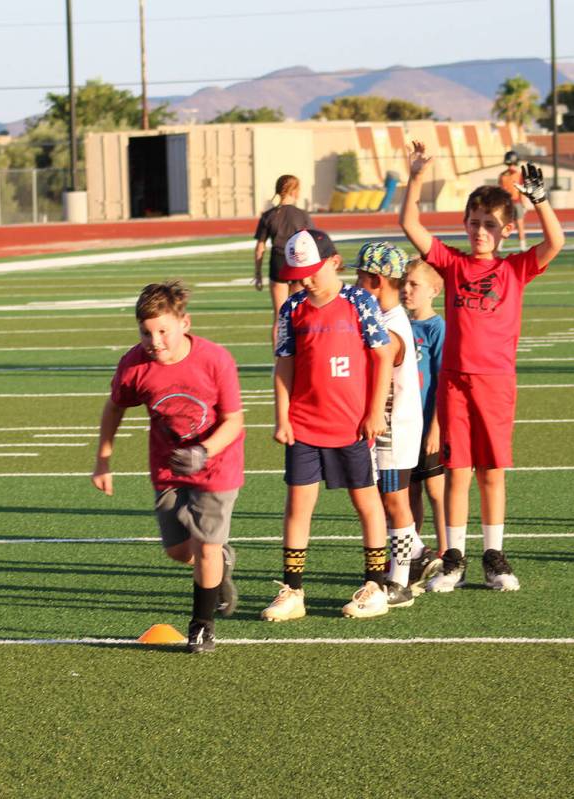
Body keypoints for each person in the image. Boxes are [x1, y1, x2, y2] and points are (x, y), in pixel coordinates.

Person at [400, 142, 564, 592]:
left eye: (490, 225)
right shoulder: (452, 264)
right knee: (457, 472)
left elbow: (557, 242)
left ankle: (494, 554)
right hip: (455, 382)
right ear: (465, 223)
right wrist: (416, 176)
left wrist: (540, 200)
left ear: (506, 231)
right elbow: (410, 224)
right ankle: (454, 557)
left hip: (495, 382)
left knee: (491, 472)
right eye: (474, 223)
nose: (480, 231)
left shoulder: (515, 269)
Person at [91, 281, 245, 654]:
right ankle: (221, 560)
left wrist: (204, 451)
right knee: (179, 551)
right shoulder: (134, 365)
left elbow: (235, 421)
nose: (155, 341)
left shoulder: (215, 359)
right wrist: (103, 458)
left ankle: (202, 626)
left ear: (184, 324)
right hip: (167, 466)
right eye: (146, 332)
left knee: (206, 545)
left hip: (216, 466)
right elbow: (115, 407)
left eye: (163, 331)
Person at [260, 229, 394, 622]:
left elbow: (382, 356)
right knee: (298, 506)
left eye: (311, 270)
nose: (304, 279)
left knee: (366, 503)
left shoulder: (360, 302)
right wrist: (282, 416)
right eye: (297, 273)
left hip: (350, 426)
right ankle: (293, 592)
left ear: (334, 262)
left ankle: (375, 586)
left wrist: (375, 412)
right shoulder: (293, 308)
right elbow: (285, 364)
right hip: (304, 425)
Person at [351, 242, 440, 607]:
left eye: (359, 278)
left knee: (394, 500)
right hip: (384, 426)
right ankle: (417, 553)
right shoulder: (379, 315)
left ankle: (400, 579)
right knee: (382, 498)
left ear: (375, 280)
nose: (354, 285)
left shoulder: (391, 323)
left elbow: (385, 352)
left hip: (394, 428)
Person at [402, 258, 448, 560]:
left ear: (434, 290)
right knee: (410, 492)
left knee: (435, 490)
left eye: (414, 284)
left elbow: (444, 381)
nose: (406, 290)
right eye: (403, 283)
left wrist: (436, 426)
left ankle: (447, 549)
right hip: (404, 423)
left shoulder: (436, 327)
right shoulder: (398, 323)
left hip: (428, 421)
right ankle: (413, 552)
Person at [253, 175, 313, 340]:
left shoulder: (269, 215)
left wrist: (257, 274)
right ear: (294, 191)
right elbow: (312, 243)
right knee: (300, 313)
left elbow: (260, 248)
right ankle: (299, 357)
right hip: (297, 263)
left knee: (280, 317)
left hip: (277, 264)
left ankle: (278, 362)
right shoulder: (302, 215)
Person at [498, 151, 528, 252]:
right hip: (516, 202)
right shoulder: (519, 175)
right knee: (520, 225)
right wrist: (524, 205)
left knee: (504, 225)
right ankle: (522, 246)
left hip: (506, 203)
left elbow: (500, 191)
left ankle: (499, 246)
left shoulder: (502, 175)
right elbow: (521, 191)